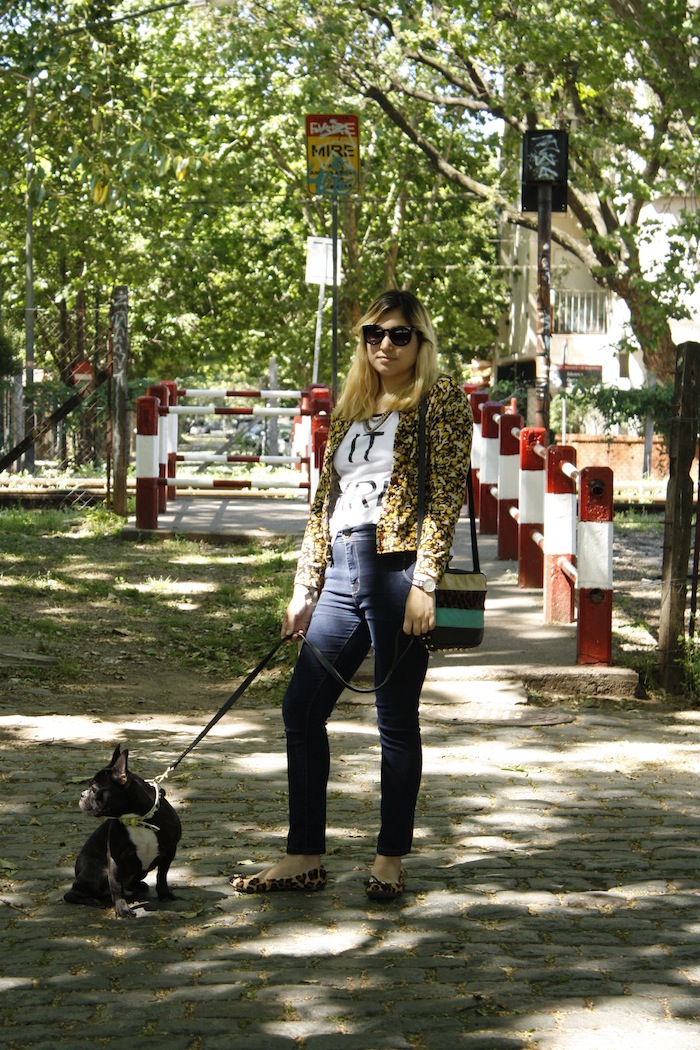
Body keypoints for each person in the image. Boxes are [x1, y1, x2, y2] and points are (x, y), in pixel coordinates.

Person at [229, 289, 473, 900]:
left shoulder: (440, 399)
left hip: (399, 567)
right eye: (373, 333)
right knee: (301, 709)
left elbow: (446, 493)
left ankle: (390, 859)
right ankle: (304, 855)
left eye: (399, 334)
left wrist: (425, 580)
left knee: (395, 717)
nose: (384, 344)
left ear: (421, 341)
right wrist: (304, 586)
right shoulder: (351, 406)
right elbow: (324, 504)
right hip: (341, 567)